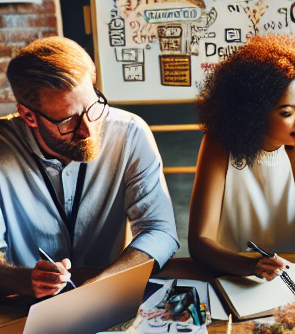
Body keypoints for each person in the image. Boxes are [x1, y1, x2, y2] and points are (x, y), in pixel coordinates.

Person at [0, 37, 177, 297]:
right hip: (24, 302)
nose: (88, 130)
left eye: (93, 106)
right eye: (68, 120)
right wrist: (23, 280)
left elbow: (159, 230)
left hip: (109, 293)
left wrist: (101, 285)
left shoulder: (129, 132)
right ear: (28, 116)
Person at [189, 34, 295, 280]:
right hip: (235, 275)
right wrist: (250, 266)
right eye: (286, 112)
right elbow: (199, 242)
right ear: (255, 115)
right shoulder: (221, 143)